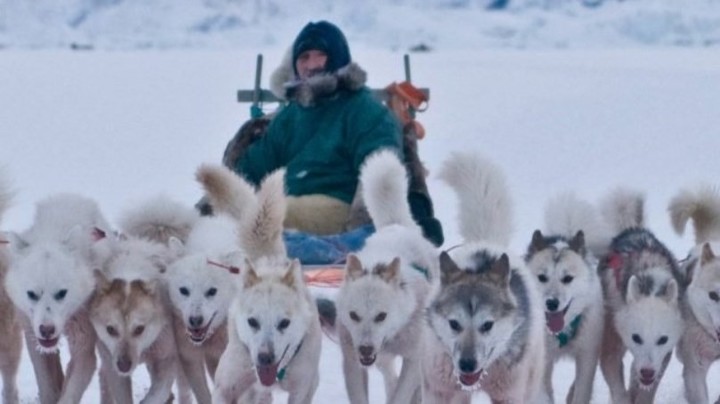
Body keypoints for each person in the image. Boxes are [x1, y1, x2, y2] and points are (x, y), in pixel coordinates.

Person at [207, 20, 443, 262]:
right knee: (241, 224)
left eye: (320, 55)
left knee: (255, 228)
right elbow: (252, 169)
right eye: (304, 57)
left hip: (338, 214)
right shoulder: (290, 116)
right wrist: (219, 197)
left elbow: (379, 176)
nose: (311, 65)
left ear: (339, 58)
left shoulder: (365, 111)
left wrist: (360, 231)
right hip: (283, 211)